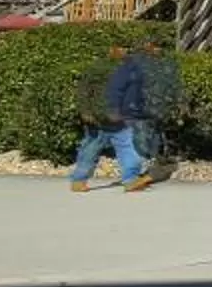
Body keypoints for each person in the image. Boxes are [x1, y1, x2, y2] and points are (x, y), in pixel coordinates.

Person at [66, 39, 155, 193]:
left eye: (126, 48)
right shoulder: (98, 68)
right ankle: (79, 180)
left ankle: (131, 180)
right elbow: (84, 91)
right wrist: (86, 111)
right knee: (90, 150)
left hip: (120, 120)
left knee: (129, 147)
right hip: (98, 120)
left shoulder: (130, 69)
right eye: (120, 47)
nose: (123, 51)